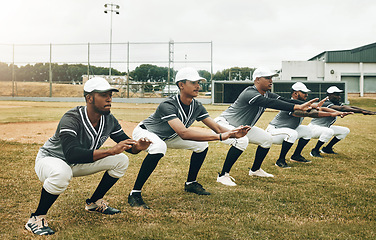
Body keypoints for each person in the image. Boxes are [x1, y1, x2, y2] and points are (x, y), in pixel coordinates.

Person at [25, 77, 151, 235]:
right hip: (50, 160)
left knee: (121, 160)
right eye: (103, 95)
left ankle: (94, 203)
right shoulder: (72, 118)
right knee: (62, 172)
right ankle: (36, 218)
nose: (109, 98)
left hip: (77, 163)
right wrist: (111, 150)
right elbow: (71, 154)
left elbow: (127, 145)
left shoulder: (109, 120)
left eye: (110, 95)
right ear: (89, 98)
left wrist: (138, 147)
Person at [128, 67, 250, 209]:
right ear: (181, 85)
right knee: (159, 147)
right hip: (146, 132)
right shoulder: (168, 105)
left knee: (202, 146)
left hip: (170, 135)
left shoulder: (197, 106)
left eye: (198, 82)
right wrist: (220, 137)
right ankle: (134, 193)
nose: (198, 86)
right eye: (193, 82)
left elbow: (216, 127)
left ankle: (191, 183)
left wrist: (234, 133)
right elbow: (184, 133)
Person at [215, 67, 321, 186]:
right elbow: (272, 103)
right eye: (267, 78)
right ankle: (223, 175)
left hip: (242, 127)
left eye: (271, 78)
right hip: (224, 124)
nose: (271, 80)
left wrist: (312, 105)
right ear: (257, 80)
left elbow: (286, 101)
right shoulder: (250, 92)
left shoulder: (266, 94)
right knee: (241, 141)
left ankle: (255, 170)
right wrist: (298, 107)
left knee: (266, 139)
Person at [266, 82, 351, 168]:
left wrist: (338, 112)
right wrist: (331, 114)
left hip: (287, 130)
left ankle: (296, 156)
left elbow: (320, 108)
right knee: (292, 133)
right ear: (295, 93)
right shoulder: (290, 104)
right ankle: (280, 161)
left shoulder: (301, 104)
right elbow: (309, 114)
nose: (306, 94)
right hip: (273, 132)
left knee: (307, 130)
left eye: (306, 92)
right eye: (303, 92)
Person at [309, 86, 375, 157]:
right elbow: (343, 108)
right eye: (336, 95)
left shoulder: (335, 103)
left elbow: (351, 107)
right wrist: (362, 111)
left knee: (345, 131)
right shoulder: (326, 103)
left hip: (324, 127)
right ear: (329, 95)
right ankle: (315, 151)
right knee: (328, 131)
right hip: (313, 129)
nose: (339, 97)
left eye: (339, 95)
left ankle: (327, 149)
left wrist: (367, 111)